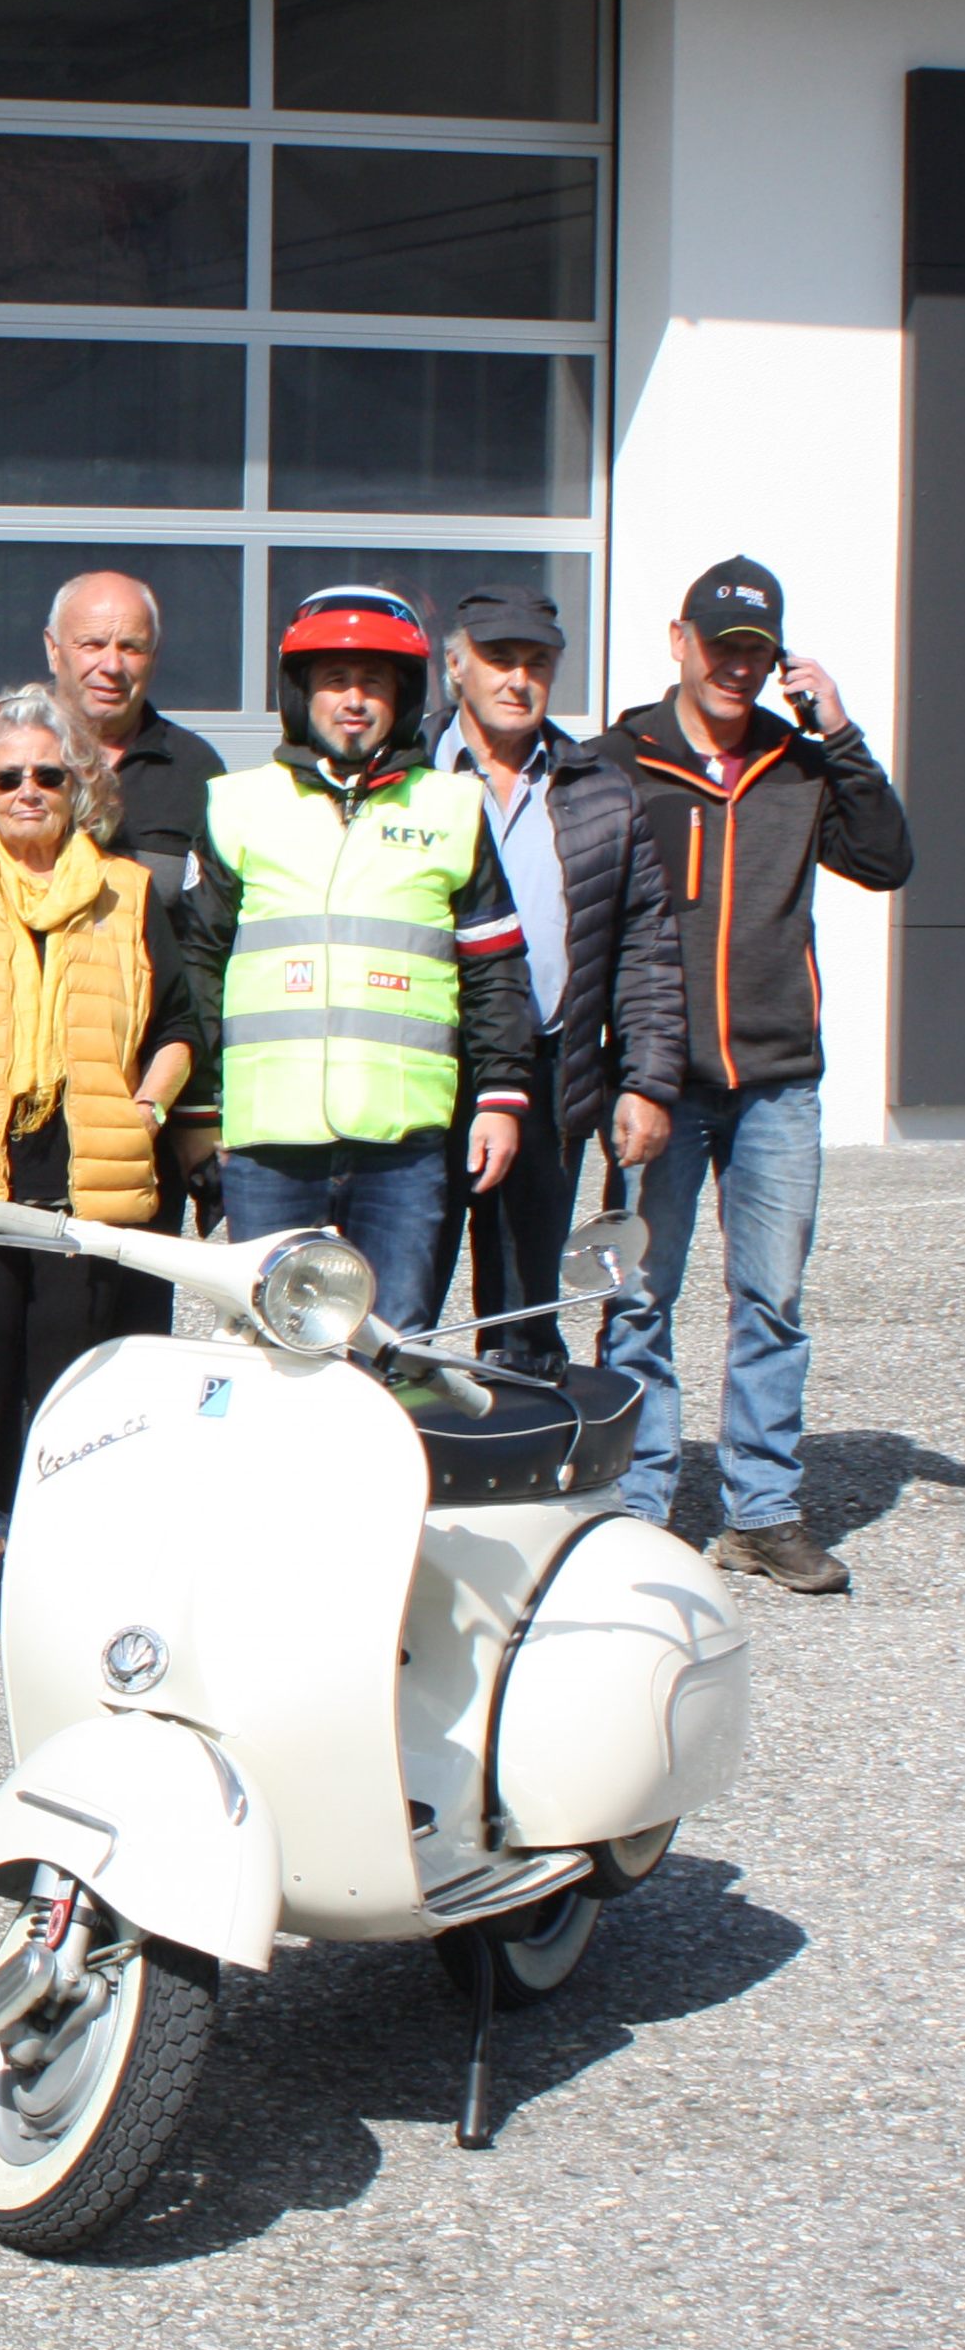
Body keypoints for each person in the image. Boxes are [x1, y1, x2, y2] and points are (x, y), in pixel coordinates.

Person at [596, 556, 913, 1593]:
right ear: (677, 640)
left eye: (754, 654)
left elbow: (883, 857)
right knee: (638, 1292)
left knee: (768, 1299)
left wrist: (837, 731)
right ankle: (637, 1501)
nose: (735, 669)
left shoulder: (796, 761)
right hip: (656, 1076)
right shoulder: (620, 758)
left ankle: (761, 1511)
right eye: (719, 647)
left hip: (775, 1075)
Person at [0, 689, 197, 1650]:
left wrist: (147, 1105)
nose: (27, 791)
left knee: (73, 1382)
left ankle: (59, 1568)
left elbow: (181, 1023)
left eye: (47, 775)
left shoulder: (127, 892)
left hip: (88, 1170)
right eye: (7, 776)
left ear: (81, 786)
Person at [177, 586, 536, 1321]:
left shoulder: (451, 808)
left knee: (391, 1343)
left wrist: (501, 1095)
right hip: (266, 1145)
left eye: (373, 682)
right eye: (334, 680)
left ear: (401, 697)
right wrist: (197, 1109)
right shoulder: (236, 804)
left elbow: (494, 967)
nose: (353, 700)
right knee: (272, 1345)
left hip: (399, 1146)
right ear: (299, 693)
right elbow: (197, 964)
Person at [426, 585, 683, 1378]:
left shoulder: (599, 790)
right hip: (421, 1073)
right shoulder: (403, 776)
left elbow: (644, 942)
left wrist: (645, 1079)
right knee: (394, 1301)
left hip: (545, 1072)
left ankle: (515, 1468)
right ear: (455, 665)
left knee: (524, 1311)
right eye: (499, 660)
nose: (517, 679)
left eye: (536, 662)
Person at [35, 570, 228, 1297]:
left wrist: (196, 1109)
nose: (109, 664)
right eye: (91, 643)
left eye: (130, 646)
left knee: (134, 1296)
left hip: (142, 1089)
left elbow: (210, 945)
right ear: (53, 648)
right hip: (20, 1082)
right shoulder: (3, 760)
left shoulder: (195, 771)